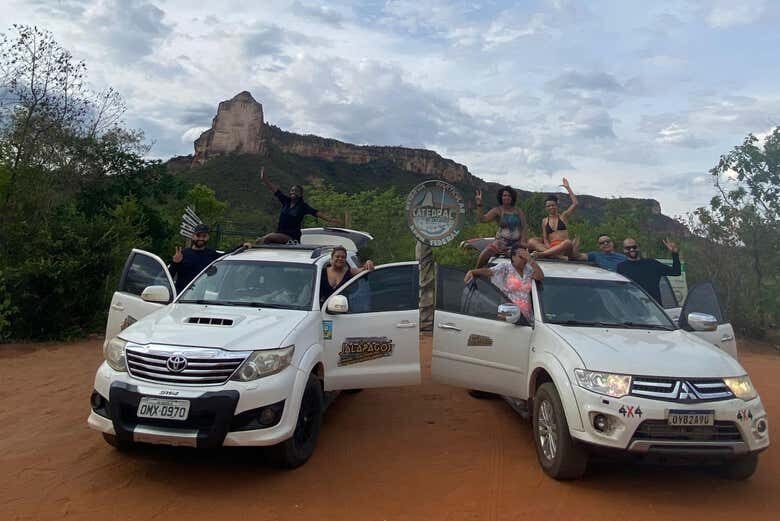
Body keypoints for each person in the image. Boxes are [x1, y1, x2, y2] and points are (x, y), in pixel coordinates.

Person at [258, 167, 343, 244]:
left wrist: (331, 220)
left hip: (291, 237)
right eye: (292, 190)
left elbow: (316, 213)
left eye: (296, 191)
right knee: (259, 240)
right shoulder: (286, 201)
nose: (293, 192)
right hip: (279, 233)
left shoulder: (303, 206)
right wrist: (265, 179)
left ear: (301, 194)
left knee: (269, 237)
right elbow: (275, 190)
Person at [464, 245, 543, 321]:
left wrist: (530, 259)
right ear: (513, 257)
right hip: (507, 315)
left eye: (525, 257)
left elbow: (540, 276)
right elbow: (489, 271)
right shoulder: (505, 267)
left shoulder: (528, 269)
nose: (524, 260)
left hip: (526, 318)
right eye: (521, 257)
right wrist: (473, 271)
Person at [474, 185, 528, 268]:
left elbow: (524, 227)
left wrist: (522, 243)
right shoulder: (497, 210)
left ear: (512, 197)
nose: (507, 197)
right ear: (501, 197)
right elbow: (482, 219)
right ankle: (476, 272)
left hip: (516, 243)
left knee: (520, 258)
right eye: (504, 195)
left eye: (509, 195)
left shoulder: (518, 211)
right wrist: (479, 205)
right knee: (487, 252)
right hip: (501, 242)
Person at [617, 238, 681, 303]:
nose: (632, 249)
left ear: (638, 248)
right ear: (624, 250)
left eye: (634, 247)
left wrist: (674, 253)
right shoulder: (621, 267)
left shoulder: (652, 263)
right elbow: (619, 290)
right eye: (628, 248)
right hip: (633, 306)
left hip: (654, 306)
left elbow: (676, 272)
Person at [528, 178, 579, 259]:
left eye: (552, 205)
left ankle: (544, 254)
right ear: (546, 208)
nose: (551, 207)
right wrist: (549, 247)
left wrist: (568, 188)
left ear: (556, 205)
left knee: (568, 242)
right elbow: (545, 238)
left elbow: (575, 204)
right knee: (531, 241)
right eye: (548, 206)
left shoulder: (563, 216)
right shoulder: (544, 221)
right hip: (551, 247)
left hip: (564, 248)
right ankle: (556, 256)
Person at [169, 223, 223, 293]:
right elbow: (169, 277)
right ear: (193, 236)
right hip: (181, 296)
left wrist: (240, 246)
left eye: (204, 236)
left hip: (199, 297)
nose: (201, 238)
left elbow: (229, 255)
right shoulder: (182, 254)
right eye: (198, 235)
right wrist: (175, 263)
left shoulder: (211, 254)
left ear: (208, 237)